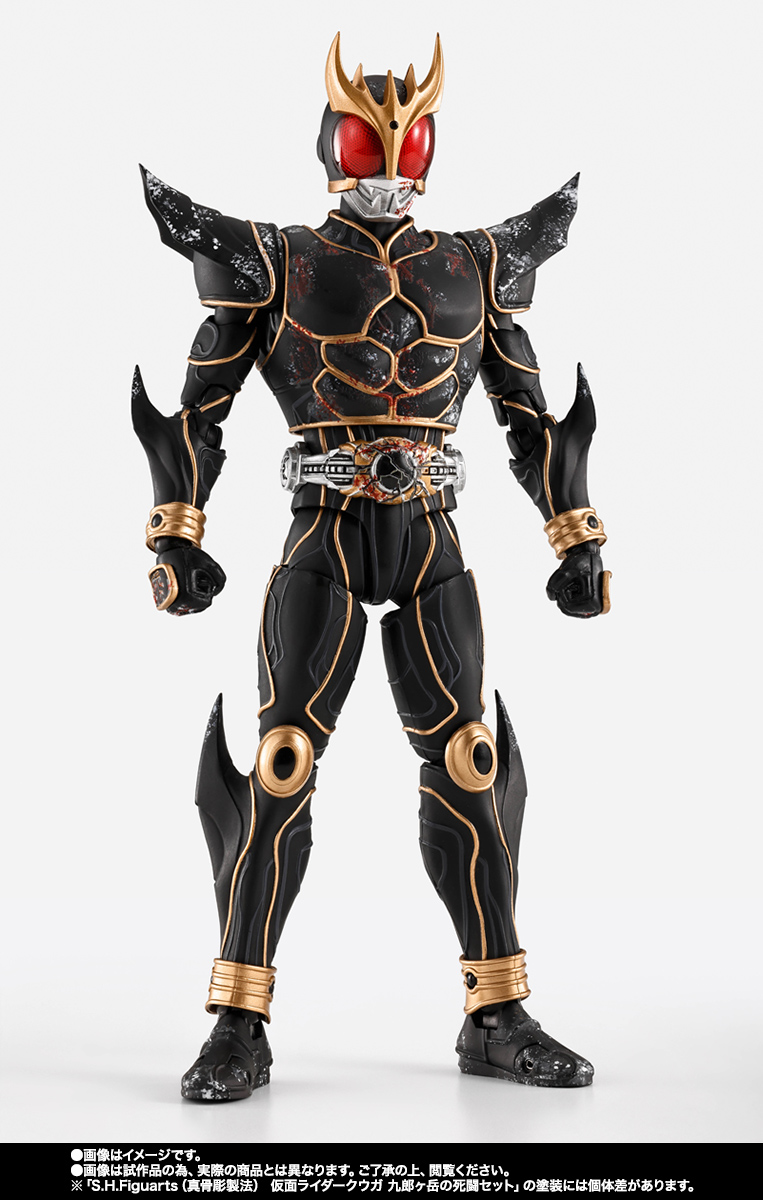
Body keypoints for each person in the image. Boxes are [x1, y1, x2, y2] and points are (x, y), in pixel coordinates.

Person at [133, 34, 610, 1102]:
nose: (389, 162)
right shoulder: (277, 260)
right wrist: (176, 533)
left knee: (468, 758)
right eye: (365, 139)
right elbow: (199, 407)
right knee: (285, 758)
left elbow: (530, 417)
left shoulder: (475, 265)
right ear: (331, 144)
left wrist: (575, 535)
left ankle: (496, 1015)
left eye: (410, 141)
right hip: (325, 529)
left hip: (433, 531)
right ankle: (238, 1021)